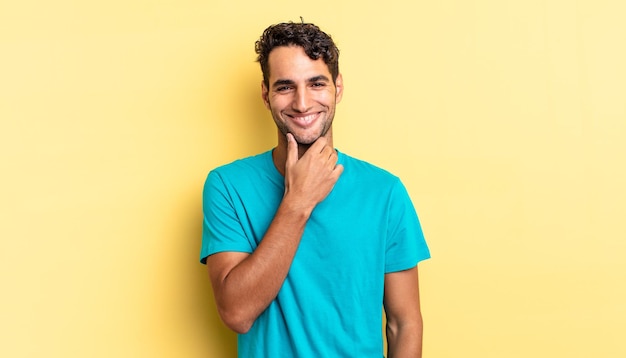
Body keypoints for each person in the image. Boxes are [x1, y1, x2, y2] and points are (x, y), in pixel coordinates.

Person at [200, 21, 430, 357]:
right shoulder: (227, 186)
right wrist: (298, 201)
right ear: (266, 95)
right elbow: (236, 313)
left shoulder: (385, 192)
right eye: (285, 87)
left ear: (337, 88)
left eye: (316, 83)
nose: (302, 103)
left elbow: (404, 322)